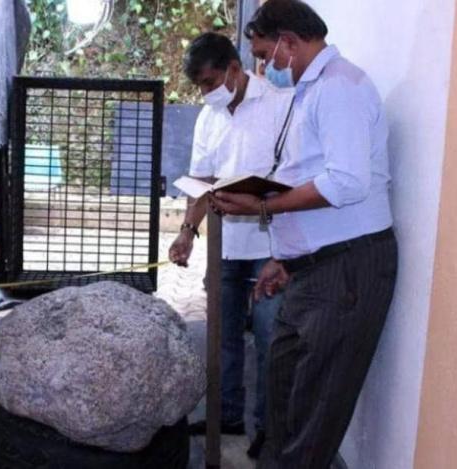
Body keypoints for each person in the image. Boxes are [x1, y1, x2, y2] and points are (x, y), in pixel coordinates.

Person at [211, 1, 398, 467]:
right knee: (284, 398)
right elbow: (306, 172)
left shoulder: (339, 88)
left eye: (264, 55)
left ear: (289, 43)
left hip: (345, 270)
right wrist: (286, 258)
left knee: (314, 414)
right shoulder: (309, 89)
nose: (263, 67)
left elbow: (346, 183)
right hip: (314, 269)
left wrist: (263, 205)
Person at [169, 32, 283, 459]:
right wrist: (187, 232)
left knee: (269, 338)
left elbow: (291, 177)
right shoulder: (209, 117)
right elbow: (201, 181)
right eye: (200, 86)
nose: (206, 93)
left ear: (234, 68)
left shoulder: (278, 105)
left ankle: (266, 430)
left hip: (270, 244)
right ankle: (226, 415)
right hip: (224, 244)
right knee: (222, 337)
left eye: (210, 82)